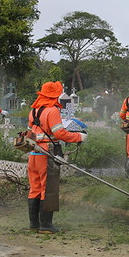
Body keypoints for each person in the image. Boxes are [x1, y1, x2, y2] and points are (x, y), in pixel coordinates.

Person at [27, 81, 87, 233]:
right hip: (46, 153)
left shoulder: (34, 110)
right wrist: (79, 137)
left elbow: (30, 133)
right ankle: (46, 225)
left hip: (33, 154)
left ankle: (34, 224)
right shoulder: (52, 111)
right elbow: (59, 133)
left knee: (35, 189)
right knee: (48, 189)